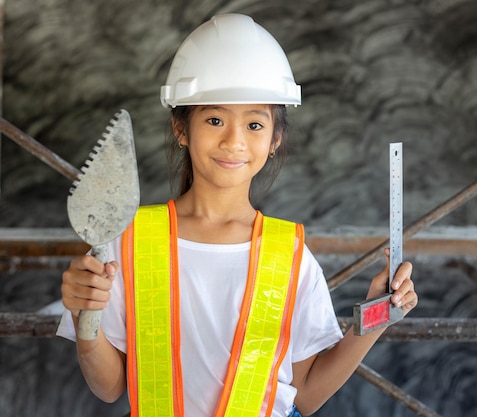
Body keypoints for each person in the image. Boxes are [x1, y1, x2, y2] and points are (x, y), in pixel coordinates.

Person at [57, 13, 417, 417]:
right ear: (181, 127)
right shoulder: (128, 241)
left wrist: (378, 313)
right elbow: (110, 388)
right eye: (215, 120)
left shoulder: (289, 256)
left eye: (254, 124)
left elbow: (306, 396)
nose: (234, 141)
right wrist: (84, 315)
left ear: (275, 139)